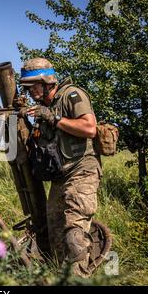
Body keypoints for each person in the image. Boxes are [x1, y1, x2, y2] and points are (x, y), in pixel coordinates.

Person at [19, 57, 102, 277]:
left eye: (32, 85)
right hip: (60, 177)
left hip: (82, 171)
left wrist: (53, 118)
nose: (29, 90)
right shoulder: (43, 108)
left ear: (47, 81)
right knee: (54, 236)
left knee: (73, 234)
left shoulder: (72, 95)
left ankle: (78, 280)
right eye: (26, 86)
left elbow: (89, 128)